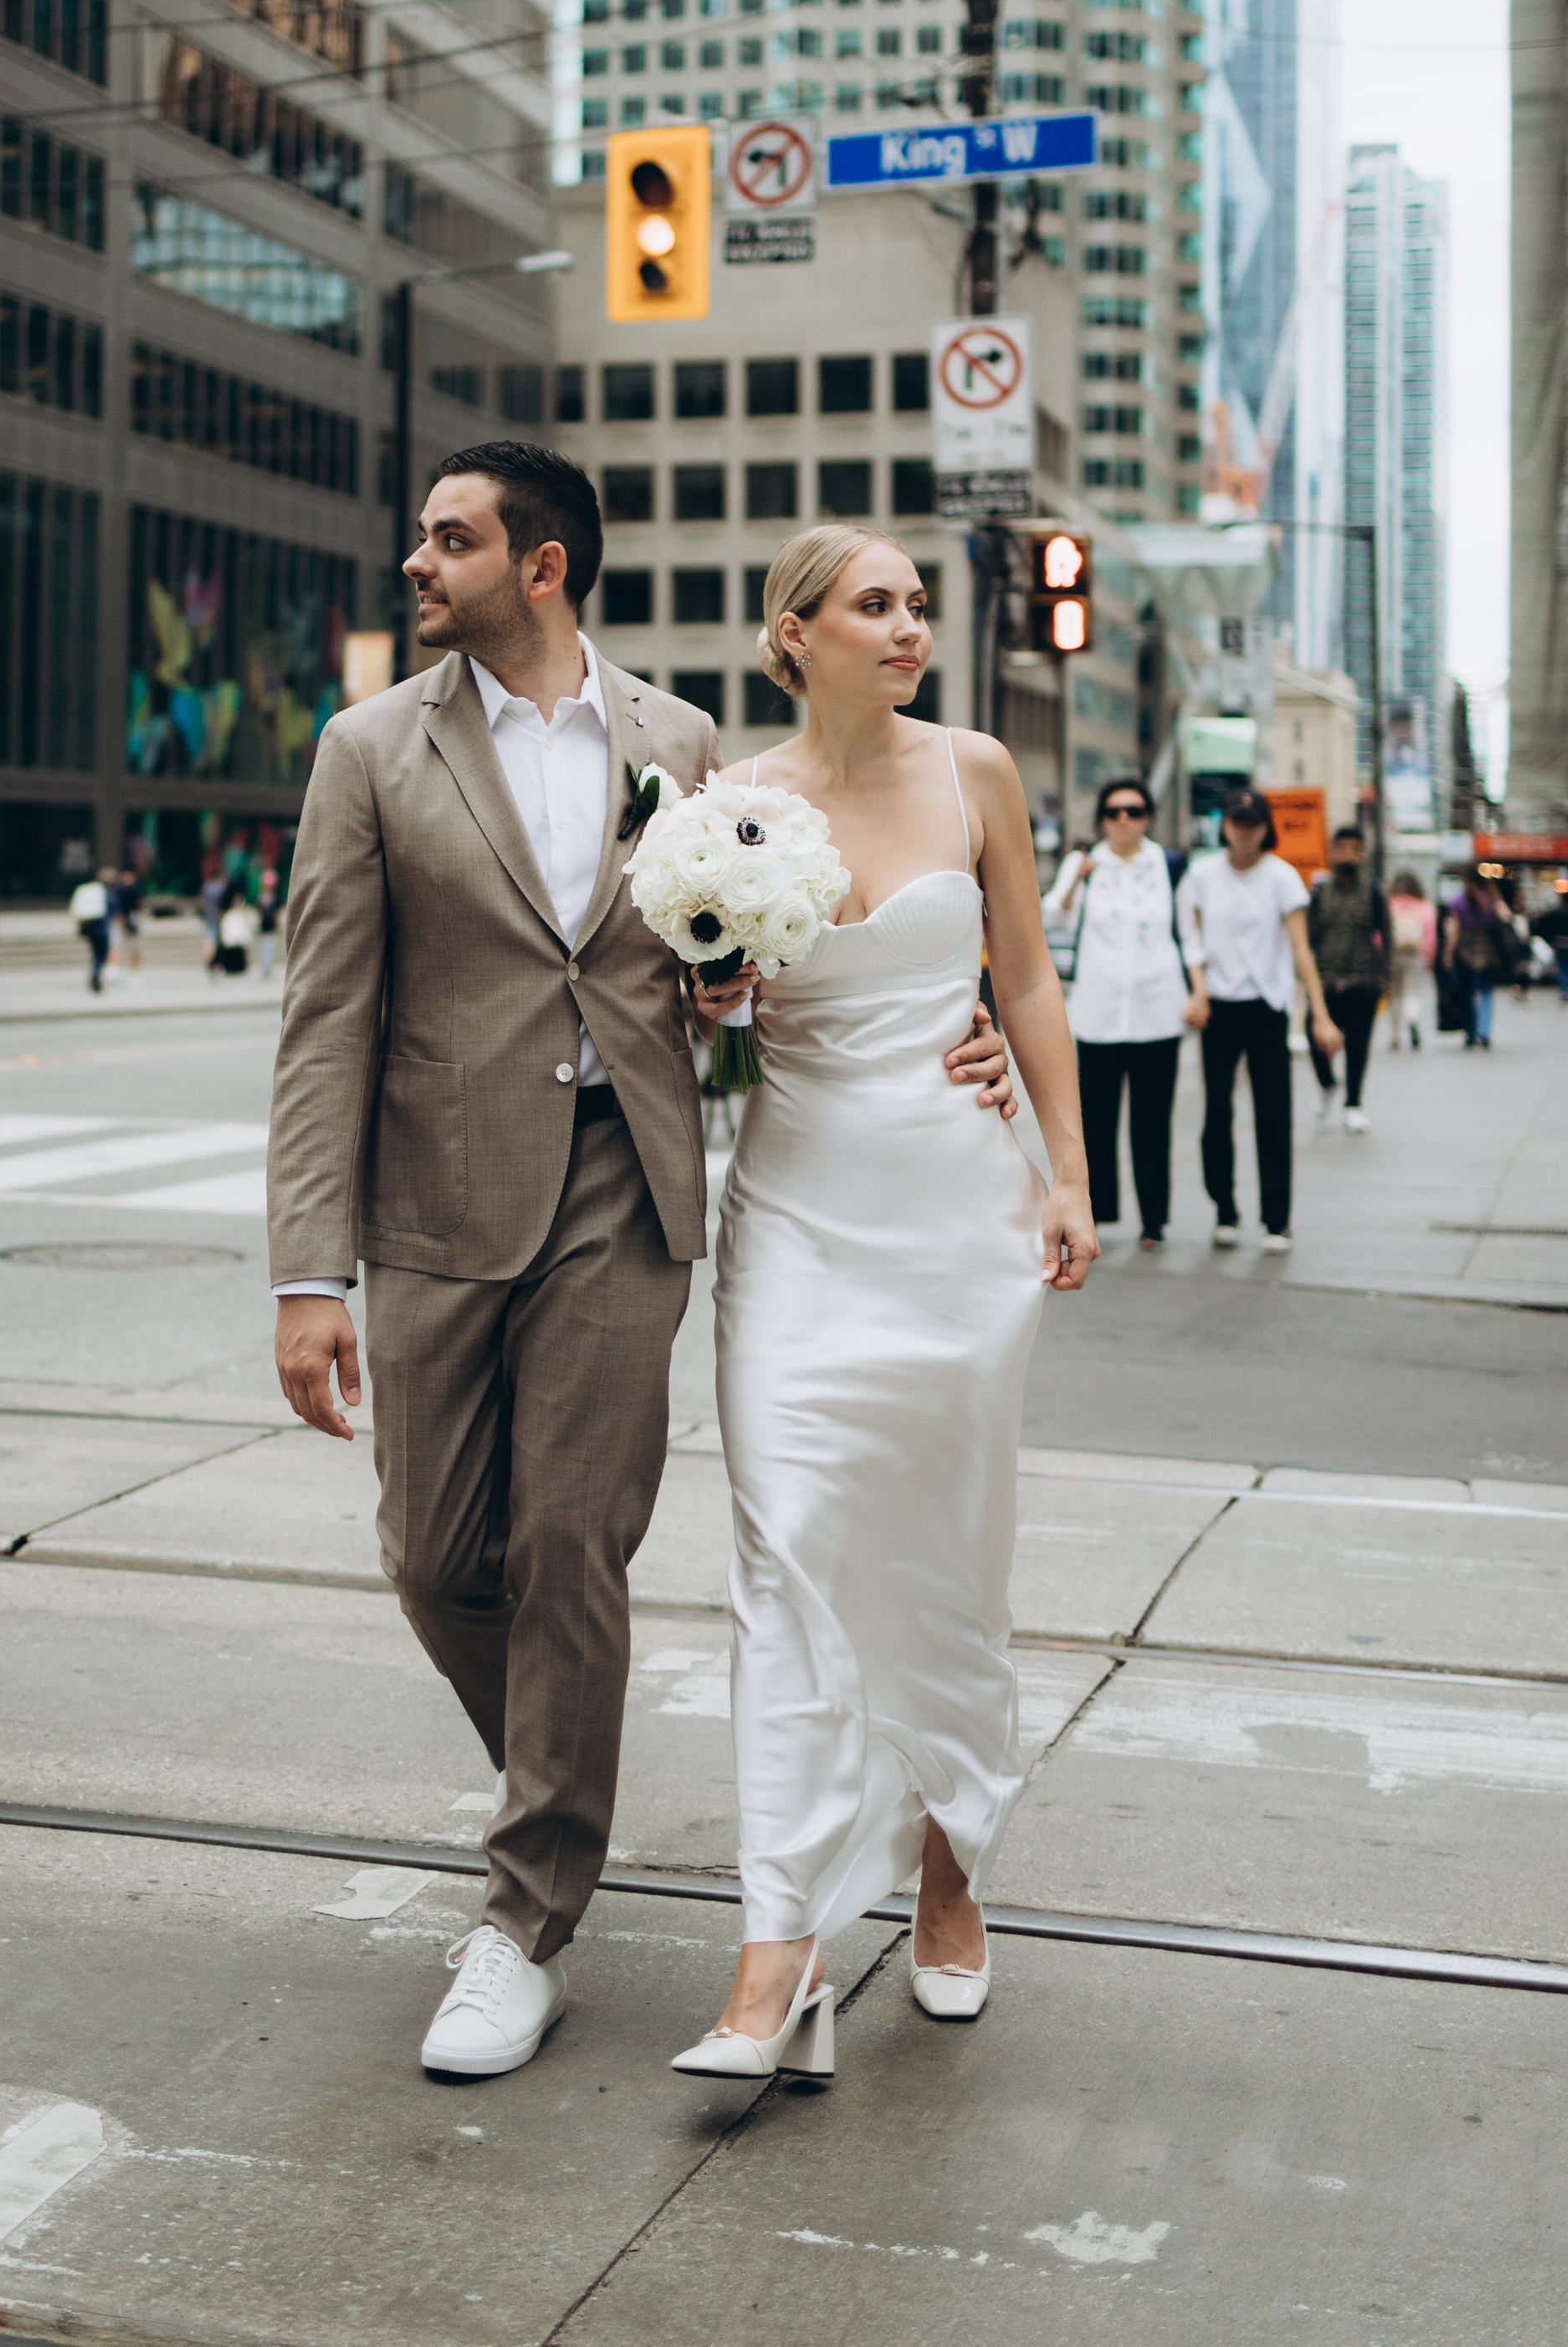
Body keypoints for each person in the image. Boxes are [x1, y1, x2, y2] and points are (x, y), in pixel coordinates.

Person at [267, 452, 1018, 2084]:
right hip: (434, 1209)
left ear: (538, 567)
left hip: (626, 1196)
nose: (415, 561)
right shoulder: (367, 751)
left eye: (447, 540)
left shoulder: (679, 749)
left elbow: (736, 983)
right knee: (430, 1552)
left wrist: (944, 1038)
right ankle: (566, 1772)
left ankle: (530, 1906)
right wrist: (303, 1272)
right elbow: (322, 1018)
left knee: (568, 1549)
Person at [662, 527, 1095, 2084]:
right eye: (878, 606)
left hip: (955, 1217)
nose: (912, 627)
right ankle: (776, 1945)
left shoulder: (978, 771)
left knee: (942, 1550)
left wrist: (1066, 1172)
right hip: (792, 1215)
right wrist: (710, 991)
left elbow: (1029, 982)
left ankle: (950, 1859)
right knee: (783, 1557)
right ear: (797, 634)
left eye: (919, 605)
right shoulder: (728, 812)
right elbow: (702, 1014)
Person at [1182, 792, 1342, 1254]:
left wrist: (1320, 1015)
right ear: (1225, 825)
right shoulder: (1202, 875)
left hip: (1267, 1005)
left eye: (1253, 822)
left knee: (1273, 1112)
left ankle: (1277, 1219)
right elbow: (1192, 941)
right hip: (1219, 1005)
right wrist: (1197, 990)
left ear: (1266, 827)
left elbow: (1301, 951)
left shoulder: (1282, 877)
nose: (1245, 830)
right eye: (1237, 820)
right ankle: (1225, 1211)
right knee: (1217, 1112)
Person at [1044, 775, 1188, 1251]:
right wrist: (1075, 883)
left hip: (1156, 1008)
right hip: (1099, 1009)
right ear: (1102, 819)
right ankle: (1099, 1212)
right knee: (1098, 1120)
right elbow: (1051, 916)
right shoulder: (1084, 863)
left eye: (1134, 811)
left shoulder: (1167, 866)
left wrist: (1197, 990)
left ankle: (1154, 1221)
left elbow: (1188, 930)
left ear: (1148, 817)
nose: (1124, 820)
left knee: (1152, 1119)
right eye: (1114, 812)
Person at [1305, 826, 1389, 1131]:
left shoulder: (1374, 891)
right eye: (1342, 848)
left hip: (1363, 980)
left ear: (1362, 852)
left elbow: (1386, 935)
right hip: (1326, 982)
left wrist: (1383, 978)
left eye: (1355, 848)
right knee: (1314, 1037)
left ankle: (1353, 1103)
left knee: (1357, 1046)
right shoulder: (1320, 892)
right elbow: (1308, 937)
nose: (1348, 854)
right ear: (1333, 851)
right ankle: (1328, 1084)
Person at [1443, 869, 1507, 1050]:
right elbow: (1506, 916)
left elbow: (1453, 931)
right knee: (1486, 992)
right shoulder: (1492, 898)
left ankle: (1471, 1034)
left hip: (1465, 952)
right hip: (1488, 950)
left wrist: (1447, 954)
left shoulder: (1458, 902)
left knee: (1467, 994)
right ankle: (1484, 1032)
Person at [1386, 871, 1435, 1047]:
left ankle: (1395, 1035)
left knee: (1393, 995)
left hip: (1392, 953)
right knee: (1412, 992)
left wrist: (1379, 954)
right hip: (1416, 954)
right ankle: (1412, 1019)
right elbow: (1430, 935)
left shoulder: (1389, 904)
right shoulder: (1424, 906)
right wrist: (1430, 957)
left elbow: (1379, 934)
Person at [67, 865, 111, 993]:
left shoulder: (82, 890)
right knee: (101, 955)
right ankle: (96, 974)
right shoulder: (102, 891)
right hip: (100, 926)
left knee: (96, 953)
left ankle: (95, 973)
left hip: (88, 927)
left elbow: (74, 910)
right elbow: (110, 909)